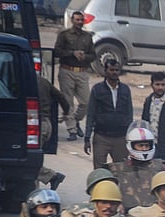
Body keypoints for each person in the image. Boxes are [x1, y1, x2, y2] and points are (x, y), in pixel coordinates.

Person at [84, 59, 134, 168]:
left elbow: (129, 114)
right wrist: (87, 137)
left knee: (122, 171)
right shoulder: (97, 89)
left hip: (120, 137)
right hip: (101, 137)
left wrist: (130, 137)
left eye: (117, 70)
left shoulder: (125, 90)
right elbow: (91, 114)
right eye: (112, 70)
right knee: (99, 171)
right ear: (105, 71)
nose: (115, 72)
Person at [54, 10, 95, 141]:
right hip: (67, 70)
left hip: (82, 72)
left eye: (81, 20)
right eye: (77, 20)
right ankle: (71, 130)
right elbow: (57, 51)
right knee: (68, 101)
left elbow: (93, 55)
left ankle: (76, 121)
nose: (79, 22)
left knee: (86, 102)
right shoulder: (64, 35)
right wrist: (72, 53)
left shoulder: (87, 37)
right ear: (72, 20)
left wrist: (84, 56)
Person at [108, 121, 165, 211]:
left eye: (146, 145)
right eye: (140, 145)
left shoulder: (161, 168)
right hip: (127, 216)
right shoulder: (116, 170)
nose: (144, 149)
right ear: (131, 145)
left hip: (154, 214)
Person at [36, 75, 69, 189]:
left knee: (28, 161)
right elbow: (61, 97)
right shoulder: (43, 81)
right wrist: (66, 112)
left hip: (36, 124)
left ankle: (52, 176)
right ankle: (33, 192)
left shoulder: (22, 80)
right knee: (34, 159)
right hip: (46, 124)